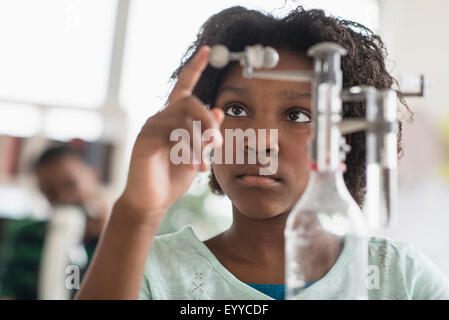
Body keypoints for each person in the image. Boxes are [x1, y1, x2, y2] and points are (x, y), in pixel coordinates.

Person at [76, 6, 449, 300]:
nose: (260, 141)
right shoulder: (144, 271)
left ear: (344, 137)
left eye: (297, 115)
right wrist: (138, 213)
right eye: (237, 110)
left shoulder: (401, 277)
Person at [0, 145, 109, 299]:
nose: (63, 196)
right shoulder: (27, 238)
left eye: (70, 184)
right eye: (50, 191)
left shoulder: (114, 239)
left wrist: (107, 235)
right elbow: (8, 290)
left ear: (93, 175)